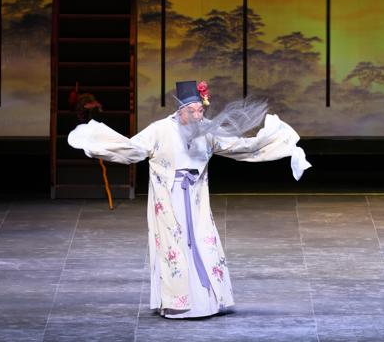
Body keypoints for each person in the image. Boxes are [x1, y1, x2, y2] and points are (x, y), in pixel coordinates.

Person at [68, 80, 310, 318]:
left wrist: (283, 146)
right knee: (174, 247)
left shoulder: (207, 130)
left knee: (203, 242)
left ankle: (206, 303)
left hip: (195, 198)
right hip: (169, 198)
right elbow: (134, 149)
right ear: (180, 110)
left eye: (200, 110)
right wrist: (97, 144)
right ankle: (176, 303)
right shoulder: (160, 129)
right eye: (191, 111)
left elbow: (240, 147)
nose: (196, 116)